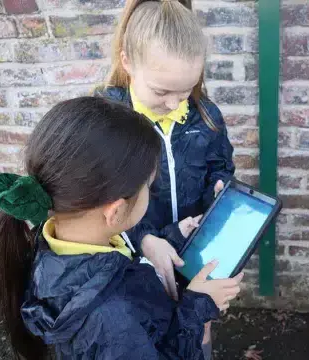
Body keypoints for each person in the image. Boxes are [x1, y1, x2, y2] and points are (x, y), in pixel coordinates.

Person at [0, 97, 243, 360]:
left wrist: (174, 236)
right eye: (148, 186)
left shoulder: (56, 240)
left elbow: (122, 267)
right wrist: (196, 308)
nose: (149, 193)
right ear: (116, 211)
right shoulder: (112, 318)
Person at [96, 0, 236, 356]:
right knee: (150, 339)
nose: (176, 103)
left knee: (196, 331)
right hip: (135, 266)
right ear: (127, 61)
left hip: (193, 254)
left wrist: (218, 192)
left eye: (186, 89)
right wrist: (144, 241)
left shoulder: (206, 115)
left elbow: (221, 167)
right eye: (162, 91)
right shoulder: (106, 123)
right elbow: (99, 202)